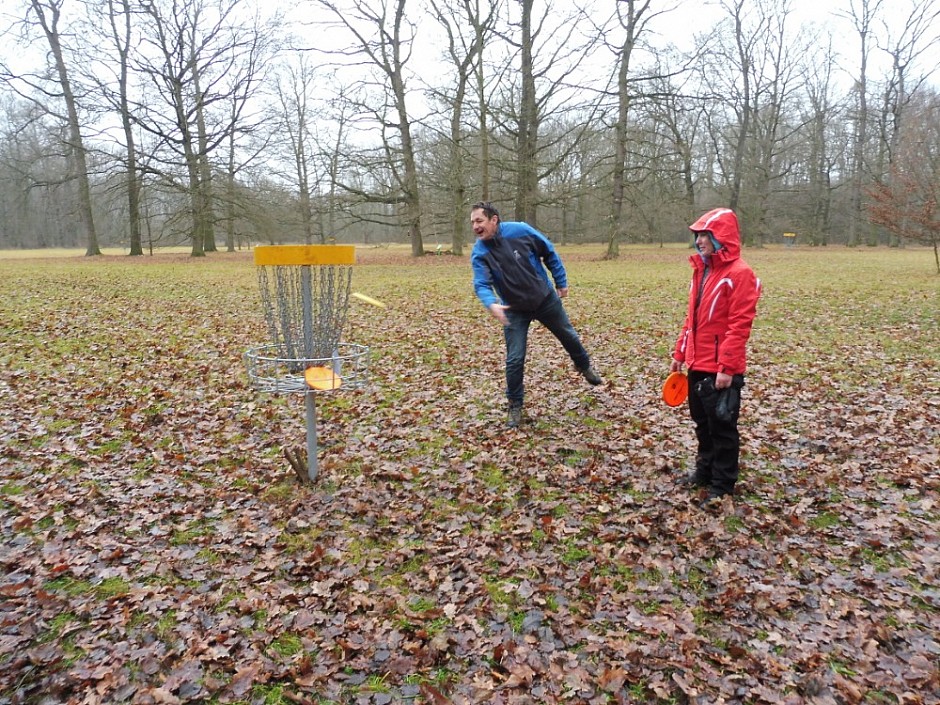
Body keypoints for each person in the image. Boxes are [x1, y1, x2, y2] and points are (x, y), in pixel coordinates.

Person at [470, 201, 602, 428]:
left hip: (544, 299)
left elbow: (548, 251)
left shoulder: (520, 231)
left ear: (494, 220)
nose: (475, 226)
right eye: (472, 222)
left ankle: (583, 365)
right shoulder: (480, 251)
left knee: (568, 336)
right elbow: (481, 283)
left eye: (479, 221)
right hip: (513, 309)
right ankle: (515, 404)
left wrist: (561, 281)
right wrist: (491, 303)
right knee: (514, 359)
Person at [670, 207, 761, 508]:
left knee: (722, 427)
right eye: (697, 236)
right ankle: (705, 471)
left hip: (720, 368)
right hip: (697, 362)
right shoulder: (702, 270)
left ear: (721, 238)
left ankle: (723, 484)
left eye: (705, 236)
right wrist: (680, 353)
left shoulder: (740, 274)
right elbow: (691, 320)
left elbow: (739, 326)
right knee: (701, 422)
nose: (700, 242)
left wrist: (728, 368)